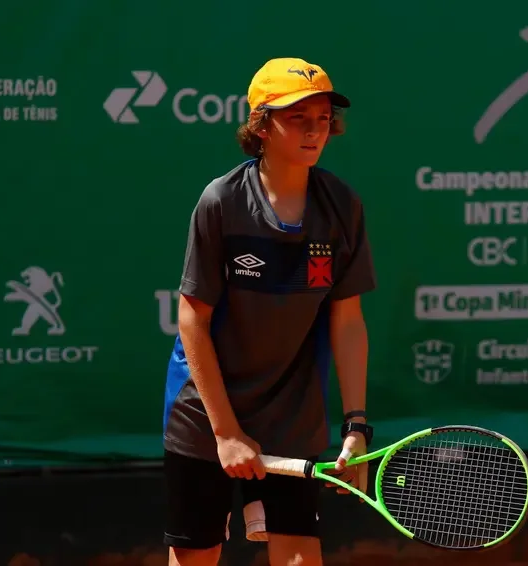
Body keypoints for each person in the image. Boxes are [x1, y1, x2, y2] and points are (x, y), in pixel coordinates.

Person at [161, 57, 376, 566]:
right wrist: (226, 433)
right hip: (205, 413)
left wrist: (357, 426)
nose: (314, 130)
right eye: (297, 118)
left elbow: (347, 320)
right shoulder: (222, 202)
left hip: (292, 418)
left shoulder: (342, 206)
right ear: (261, 125)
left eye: (322, 118)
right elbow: (192, 318)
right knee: (195, 557)